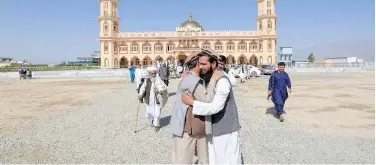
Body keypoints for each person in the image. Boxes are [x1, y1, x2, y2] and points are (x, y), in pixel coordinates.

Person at [181, 50, 242, 164]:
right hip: (213, 127)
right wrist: (188, 74)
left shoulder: (222, 80)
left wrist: (193, 102)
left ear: (213, 64)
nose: (200, 67)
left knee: (225, 159)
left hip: (225, 128)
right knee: (214, 158)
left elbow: (216, 107)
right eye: (199, 64)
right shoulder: (209, 78)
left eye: (204, 64)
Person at [170, 53, 209, 164]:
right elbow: (209, 102)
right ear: (198, 64)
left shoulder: (188, 78)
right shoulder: (194, 81)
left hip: (183, 126)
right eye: (205, 63)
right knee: (186, 160)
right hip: (189, 128)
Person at [138, 66, 168, 131]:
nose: (154, 74)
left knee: (157, 114)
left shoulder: (159, 80)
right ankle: (152, 121)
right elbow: (142, 88)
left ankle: (156, 125)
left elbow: (164, 88)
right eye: (152, 73)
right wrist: (140, 95)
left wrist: (158, 90)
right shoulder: (147, 80)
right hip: (149, 99)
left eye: (155, 73)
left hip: (157, 100)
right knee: (149, 113)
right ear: (149, 73)